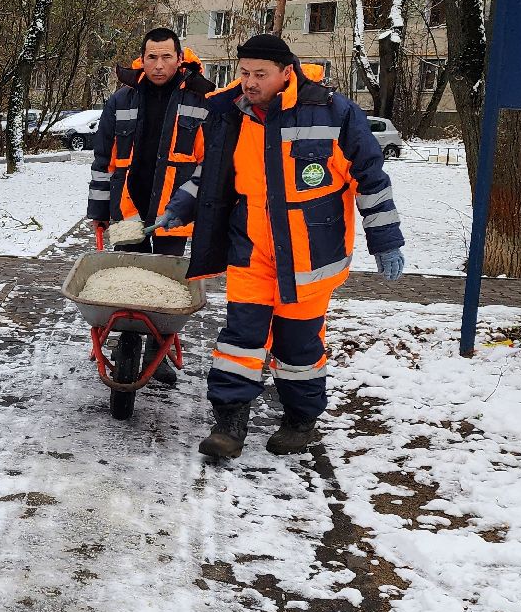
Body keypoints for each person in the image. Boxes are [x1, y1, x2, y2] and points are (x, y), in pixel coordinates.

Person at [152, 33, 404, 459]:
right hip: (250, 248)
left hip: (311, 254)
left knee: (299, 343)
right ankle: (229, 422)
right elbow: (210, 174)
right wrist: (181, 207)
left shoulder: (333, 112)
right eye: (244, 72)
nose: (250, 82)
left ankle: (300, 419)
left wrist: (386, 240)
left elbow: (371, 179)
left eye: (260, 75)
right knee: (240, 337)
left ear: (287, 73)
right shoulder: (230, 113)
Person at [87, 26, 233, 385]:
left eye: (167, 56)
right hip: (129, 209)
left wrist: (200, 206)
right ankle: (127, 343)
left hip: (174, 213)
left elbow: (210, 161)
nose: (158, 64)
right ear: (142, 58)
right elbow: (104, 160)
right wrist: (98, 212)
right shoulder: (121, 100)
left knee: (166, 290)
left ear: (180, 59)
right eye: (151, 56)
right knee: (127, 285)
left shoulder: (201, 100)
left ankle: (159, 349)